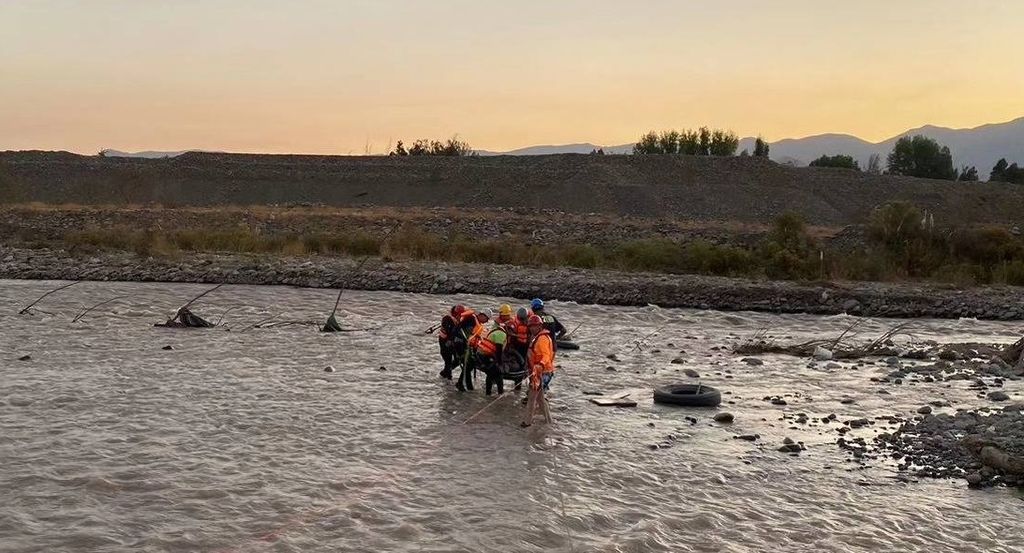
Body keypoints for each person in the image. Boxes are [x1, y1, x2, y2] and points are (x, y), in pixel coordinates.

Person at [522, 314, 555, 427]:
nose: (532, 328)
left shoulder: (542, 340)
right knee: (540, 398)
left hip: (542, 372)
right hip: (537, 372)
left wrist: (540, 365)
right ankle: (549, 422)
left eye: (534, 326)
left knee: (532, 397)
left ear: (540, 326)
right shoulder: (537, 337)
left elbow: (545, 356)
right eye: (530, 326)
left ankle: (527, 423)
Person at [472, 322, 508, 395]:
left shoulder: (495, 331)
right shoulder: (501, 334)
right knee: (498, 373)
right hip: (485, 355)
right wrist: (500, 363)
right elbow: (499, 350)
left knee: (491, 373)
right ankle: (499, 394)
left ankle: (488, 394)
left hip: (481, 354)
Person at [455, 311, 487, 392]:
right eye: (486, 319)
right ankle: (461, 384)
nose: (486, 321)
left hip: (467, 345)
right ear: (482, 315)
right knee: (468, 364)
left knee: (469, 364)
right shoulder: (471, 319)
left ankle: (464, 385)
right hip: (461, 344)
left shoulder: (476, 322)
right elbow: (462, 330)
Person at [437, 305, 463, 380]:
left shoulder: (457, 320)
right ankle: (447, 377)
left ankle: (445, 373)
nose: (460, 316)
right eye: (459, 315)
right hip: (445, 343)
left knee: (458, 360)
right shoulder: (447, 319)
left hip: (452, 343)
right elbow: (450, 332)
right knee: (448, 361)